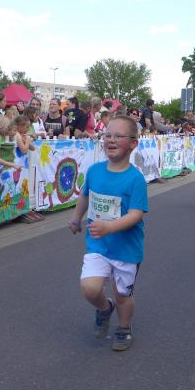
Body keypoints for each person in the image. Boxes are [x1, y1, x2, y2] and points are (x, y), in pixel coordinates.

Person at [68, 115, 148, 352]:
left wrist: (109, 227)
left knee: (123, 295)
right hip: (98, 245)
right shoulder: (94, 171)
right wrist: (76, 218)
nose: (111, 140)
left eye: (118, 136)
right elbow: (85, 196)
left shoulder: (136, 179)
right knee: (90, 288)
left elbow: (136, 214)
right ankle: (104, 308)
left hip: (126, 250)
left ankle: (123, 328)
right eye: (107, 135)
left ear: (133, 143)